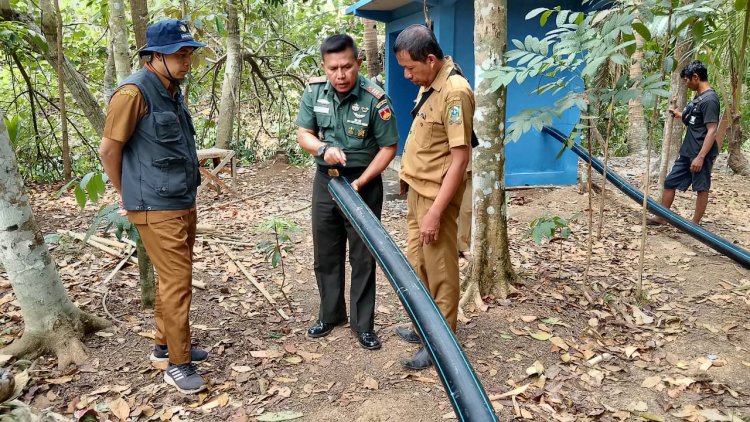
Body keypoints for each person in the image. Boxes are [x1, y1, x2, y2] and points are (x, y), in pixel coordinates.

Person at [99, 19, 208, 394]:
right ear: (154, 57)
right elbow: (109, 150)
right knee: (178, 283)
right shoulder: (132, 93)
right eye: (179, 55)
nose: (186, 61)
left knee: (172, 279)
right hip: (154, 204)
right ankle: (178, 365)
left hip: (180, 198)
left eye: (189, 53)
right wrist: (127, 195)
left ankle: (165, 347)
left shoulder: (171, 89)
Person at [296, 34, 399, 350]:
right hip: (326, 180)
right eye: (333, 68)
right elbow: (304, 134)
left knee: (363, 255)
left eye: (346, 67)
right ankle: (330, 315)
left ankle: (362, 324)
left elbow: (389, 147)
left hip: (362, 183)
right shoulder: (315, 93)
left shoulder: (375, 99)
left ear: (358, 62)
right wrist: (323, 148)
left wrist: (364, 179)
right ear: (325, 67)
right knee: (325, 251)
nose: (340, 75)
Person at [393, 25, 474, 370]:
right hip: (418, 191)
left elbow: (460, 158)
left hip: (435, 199)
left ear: (430, 59)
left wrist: (435, 213)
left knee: (440, 269)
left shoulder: (454, 92)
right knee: (418, 264)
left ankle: (443, 342)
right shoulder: (430, 83)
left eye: (411, 68)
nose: (407, 75)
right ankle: (426, 327)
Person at [651, 60, 720, 226]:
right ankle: (662, 217)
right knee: (670, 182)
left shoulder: (710, 100)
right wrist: (679, 114)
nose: (686, 83)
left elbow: (712, 130)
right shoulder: (699, 97)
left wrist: (701, 157)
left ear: (695, 77)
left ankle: (695, 225)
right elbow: (696, 120)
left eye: (687, 80)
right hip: (688, 151)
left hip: (700, 152)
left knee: (701, 187)